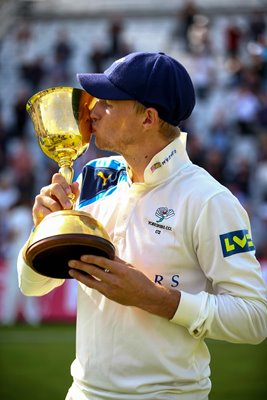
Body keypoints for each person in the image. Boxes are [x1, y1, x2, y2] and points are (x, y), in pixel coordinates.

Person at [17, 52, 267, 400]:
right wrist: (42, 231)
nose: (91, 110)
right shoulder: (93, 175)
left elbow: (255, 319)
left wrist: (155, 299)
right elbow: (33, 286)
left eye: (108, 102)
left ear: (148, 118)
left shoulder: (209, 199)